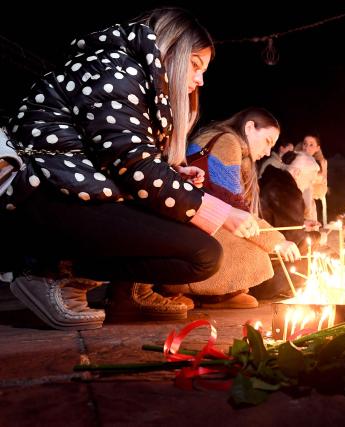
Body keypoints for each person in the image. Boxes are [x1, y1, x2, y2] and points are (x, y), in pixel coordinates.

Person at [0, 8, 260, 330]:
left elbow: (112, 157)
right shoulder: (117, 69)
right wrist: (220, 212)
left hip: (70, 191)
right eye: (195, 65)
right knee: (201, 254)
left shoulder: (132, 76)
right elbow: (131, 162)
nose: (200, 80)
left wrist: (172, 175)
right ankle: (49, 272)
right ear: (173, 51)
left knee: (201, 250)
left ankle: (111, 287)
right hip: (40, 194)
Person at [162, 107, 301, 307]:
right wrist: (277, 242)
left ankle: (206, 291)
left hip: (186, 222)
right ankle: (206, 293)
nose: (268, 151)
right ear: (251, 127)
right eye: (268, 141)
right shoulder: (227, 143)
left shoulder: (223, 140)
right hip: (188, 227)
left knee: (254, 247)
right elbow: (234, 208)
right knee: (256, 256)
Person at [251, 150, 320, 299]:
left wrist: (302, 224)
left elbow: (277, 221)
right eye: (309, 180)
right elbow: (294, 242)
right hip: (266, 273)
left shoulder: (272, 180)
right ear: (296, 172)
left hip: (260, 260)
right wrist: (317, 237)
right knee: (314, 260)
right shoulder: (287, 191)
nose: (308, 186)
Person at [299, 134, 328, 225]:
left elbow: (321, 192)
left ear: (317, 148)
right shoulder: (295, 160)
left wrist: (324, 172)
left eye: (311, 144)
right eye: (305, 144)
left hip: (308, 207)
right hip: (296, 204)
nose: (307, 147)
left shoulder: (317, 165)